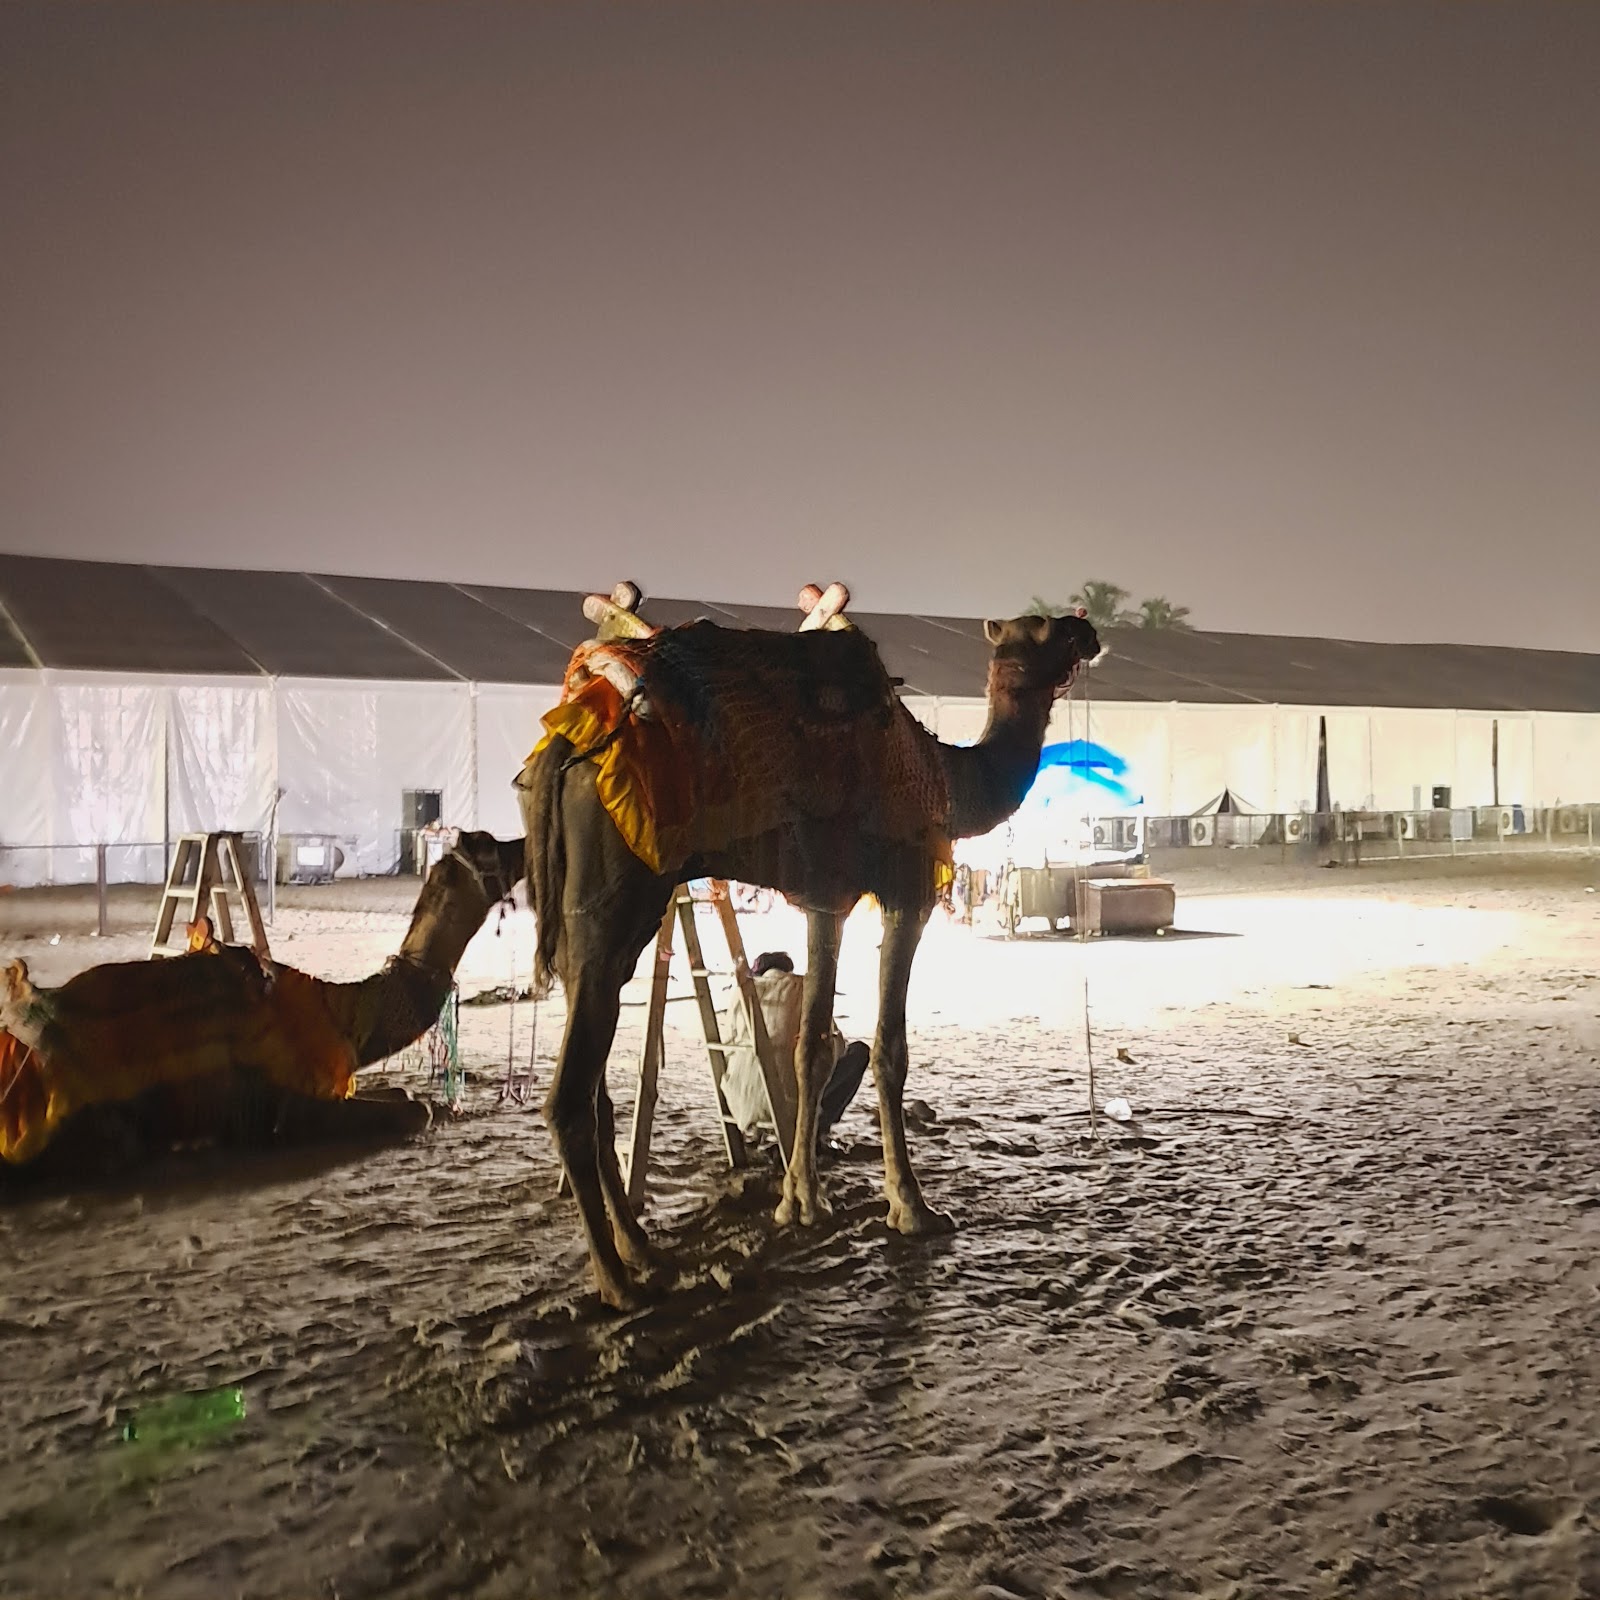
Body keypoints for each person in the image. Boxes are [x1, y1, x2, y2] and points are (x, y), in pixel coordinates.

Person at [718, 951, 870, 1152]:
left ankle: (758, 1135)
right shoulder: (804, 988)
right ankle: (817, 1129)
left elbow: (726, 1046)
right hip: (790, 1103)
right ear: (788, 970)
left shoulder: (742, 992)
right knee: (858, 1053)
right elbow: (835, 1048)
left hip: (740, 1103)